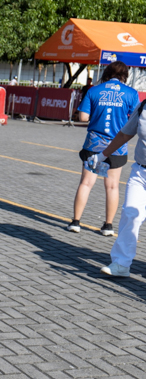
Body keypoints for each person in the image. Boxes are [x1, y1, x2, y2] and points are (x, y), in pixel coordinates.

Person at [67, 62, 139, 236]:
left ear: (106, 73)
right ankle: (108, 226)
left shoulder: (94, 91)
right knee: (112, 186)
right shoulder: (131, 94)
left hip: (94, 145)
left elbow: (83, 117)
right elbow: (136, 120)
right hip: (117, 146)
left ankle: (76, 222)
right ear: (125, 75)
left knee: (86, 183)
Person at [97, 101, 146, 277]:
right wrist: (102, 155)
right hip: (140, 172)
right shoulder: (143, 107)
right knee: (130, 214)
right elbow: (125, 134)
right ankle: (121, 263)